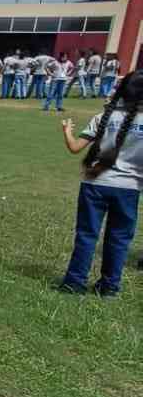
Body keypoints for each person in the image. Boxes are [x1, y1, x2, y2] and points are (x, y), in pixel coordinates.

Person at [56, 70, 143, 297]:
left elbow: (75, 147)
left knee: (86, 234)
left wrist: (67, 131)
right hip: (129, 189)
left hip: (95, 183)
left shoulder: (104, 117)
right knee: (119, 239)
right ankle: (109, 287)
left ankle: (74, 283)